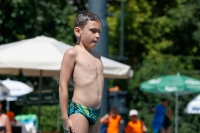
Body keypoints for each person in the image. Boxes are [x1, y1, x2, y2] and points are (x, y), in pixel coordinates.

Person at [59, 10, 103, 133]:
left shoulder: (97, 56)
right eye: (93, 31)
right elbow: (63, 85)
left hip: (96, 112)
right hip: (79, 110)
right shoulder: (72, 53)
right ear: (78, 31)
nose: (97, 35)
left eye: (99, 32)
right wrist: (64, 117)